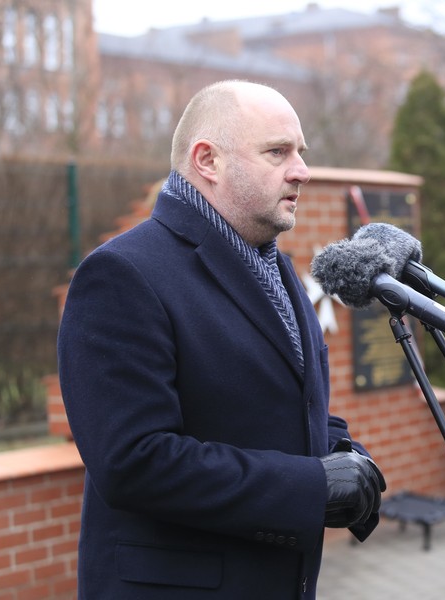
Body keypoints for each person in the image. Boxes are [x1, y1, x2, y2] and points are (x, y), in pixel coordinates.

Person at [57, 80, 385, 599]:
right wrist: (311, 487)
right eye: (277, 152)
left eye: (300, 152)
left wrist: (345, 452)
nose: (301, 169)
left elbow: (282, 406)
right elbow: (134, 462)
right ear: (207, 160)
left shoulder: (274, 266)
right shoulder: (122, 275)